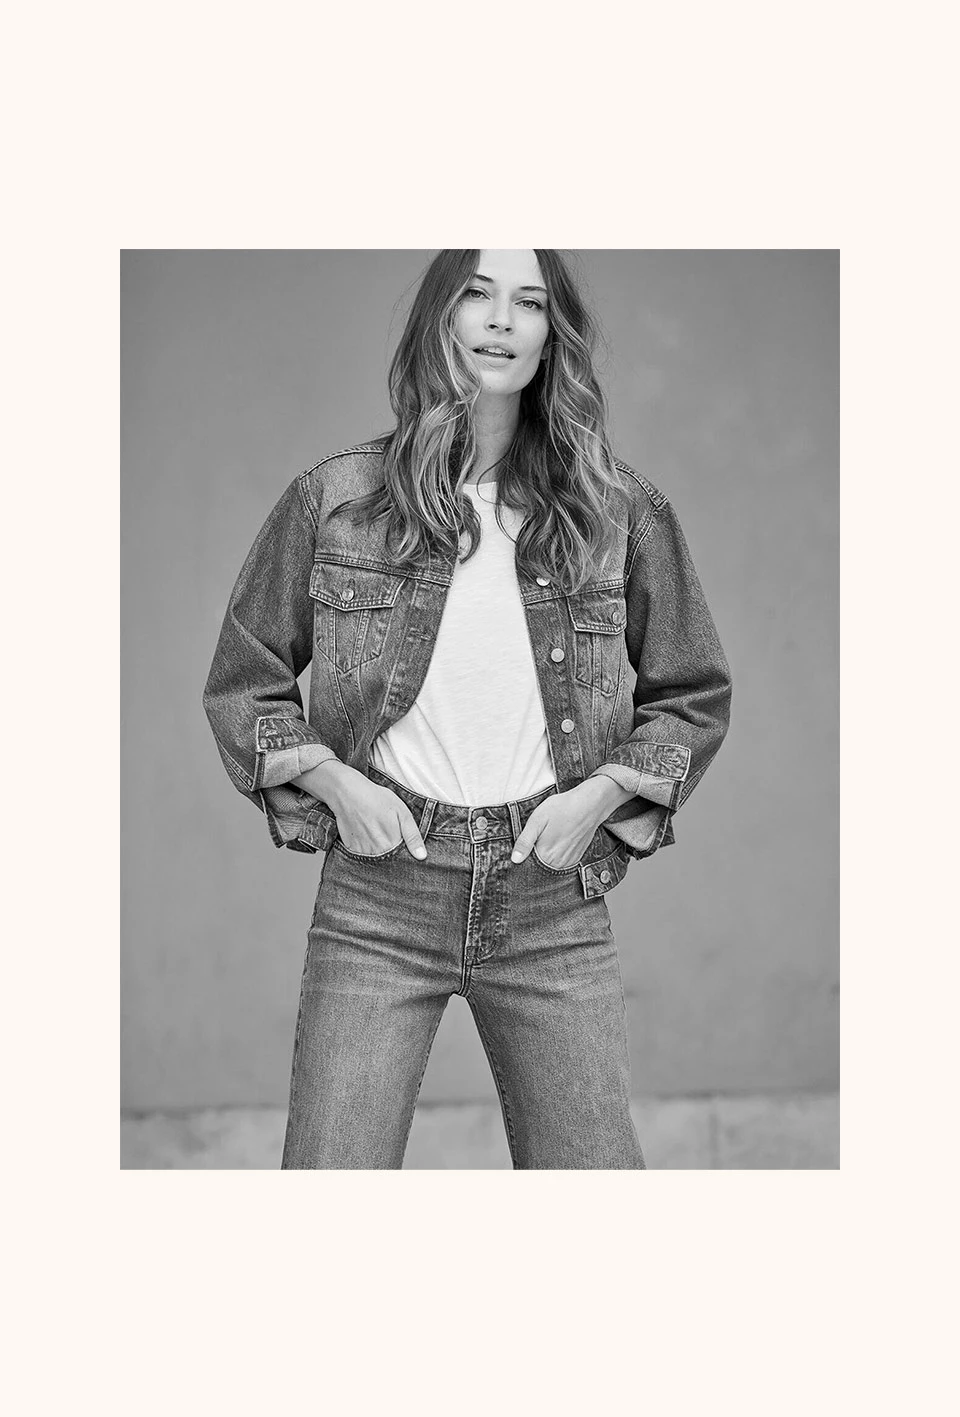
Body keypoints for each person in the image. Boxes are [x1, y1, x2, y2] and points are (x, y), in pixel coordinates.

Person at [202, 248, 733, 1169]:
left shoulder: (616, 511)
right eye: (477, 294)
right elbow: (243, 680)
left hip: (550, 895)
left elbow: (694, 692)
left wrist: (600, 798)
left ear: (550, 336)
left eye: (528, 302)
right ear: (440, 317)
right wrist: (336, 786)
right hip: (381, 893)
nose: (500, 319)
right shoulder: (337, 501)